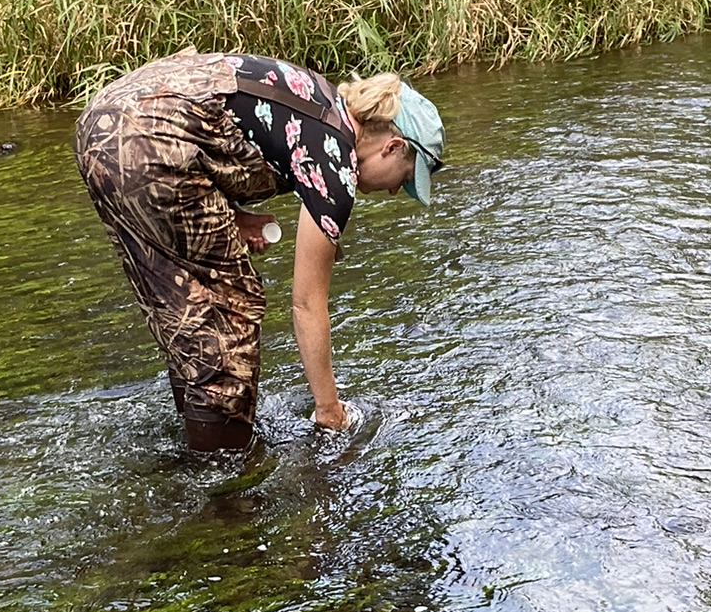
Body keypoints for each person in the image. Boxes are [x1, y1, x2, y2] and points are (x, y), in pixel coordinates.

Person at [75, 48, 445, 452]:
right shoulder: (335, 165)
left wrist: (229, 214)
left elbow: (213, 129)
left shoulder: (317, 97)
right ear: (392, 147)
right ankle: (222, 482)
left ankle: (191, 445)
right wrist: (329, 410)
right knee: (231, 309)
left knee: (180, 301)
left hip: (105, 124)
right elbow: (306, 303)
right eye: (404, 179)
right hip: (149, 144)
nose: (394, 191)